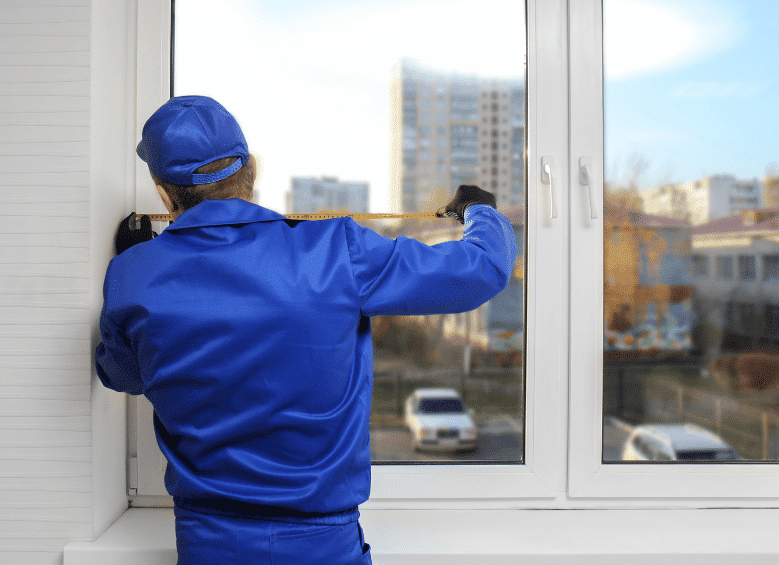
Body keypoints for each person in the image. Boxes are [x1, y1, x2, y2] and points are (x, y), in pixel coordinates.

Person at [95, 95, 517, 565]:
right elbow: (481, 270)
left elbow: (124, 376)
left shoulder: (133, 274)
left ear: (163, 190)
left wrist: (134, 264)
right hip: (324, 544)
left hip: (208, 543)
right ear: (250, 170)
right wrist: (480, 210)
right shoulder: (335, 250)